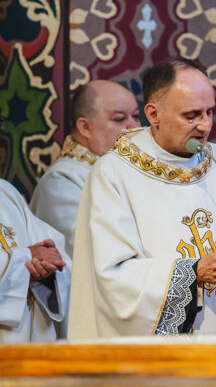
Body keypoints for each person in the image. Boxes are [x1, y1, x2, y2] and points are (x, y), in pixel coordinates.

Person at [68, 59, 216, 339]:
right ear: (153, 114)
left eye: (209, 112)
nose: (205, 125)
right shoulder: (114, 173)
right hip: (170, 353)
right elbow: (111, 277)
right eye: (191, 115)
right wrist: (193, 272)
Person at [31, 80, 140, 259]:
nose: (135, 127)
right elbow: (88, 250)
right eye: (120, 119)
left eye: (135, 116)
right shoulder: (62, 181)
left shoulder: (131, 170)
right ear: (85, 127)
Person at [0, 114, 71, 343]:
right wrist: (26, 260)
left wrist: (49, 268)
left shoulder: (6, 192)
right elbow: (29, 254)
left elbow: (50, 250)